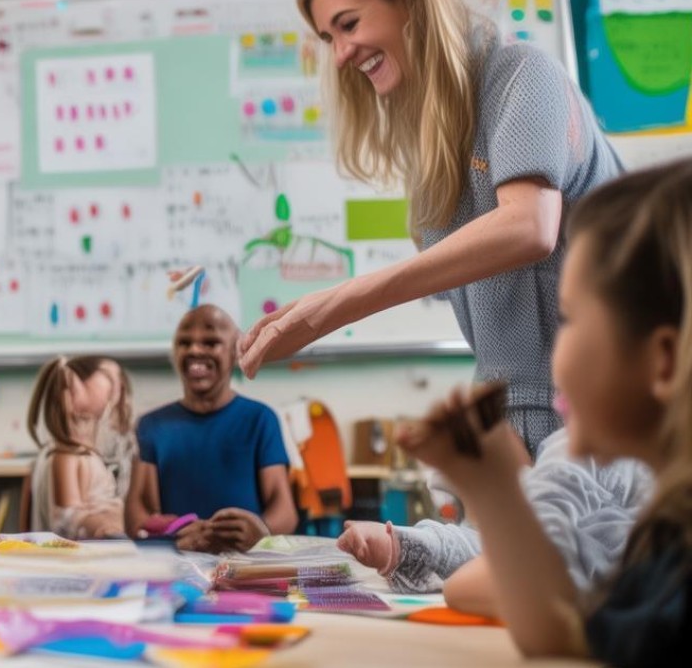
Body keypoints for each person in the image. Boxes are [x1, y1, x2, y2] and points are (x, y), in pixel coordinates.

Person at [239, 0, 623, 456]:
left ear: (412, 1)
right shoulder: (434, 143)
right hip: (508, 419)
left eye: (348, 25)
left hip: (595, 415)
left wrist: (330, 307)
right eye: (330, 39)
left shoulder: (522, 75)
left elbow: (529, 227)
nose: (341, 55)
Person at [399, 161, 692, 665]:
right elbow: (562, 635)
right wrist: (496, 490)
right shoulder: (665, 532)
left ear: (662, 360)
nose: (555, 350)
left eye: (570, 319)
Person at [339, 426, 649, 596]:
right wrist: (405, 546)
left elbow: (515, 568)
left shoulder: (591, 446)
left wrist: (503, 490)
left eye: (576, 322)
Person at [127, 305, 296, 552]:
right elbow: (136, 516)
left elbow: (285, 511)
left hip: (245, 565)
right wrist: (176, 533)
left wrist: (259, 531)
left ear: (234, 351)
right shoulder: (151, 425)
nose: (195, 350)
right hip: (179, 563)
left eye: (210, 342)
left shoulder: (260, 419)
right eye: (184, 343)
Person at [26, 355, 129, 539]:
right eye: (108, 377)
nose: (117, 388)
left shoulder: (86, 454)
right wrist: (105, 526)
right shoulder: (66, 456)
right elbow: (67, 517)